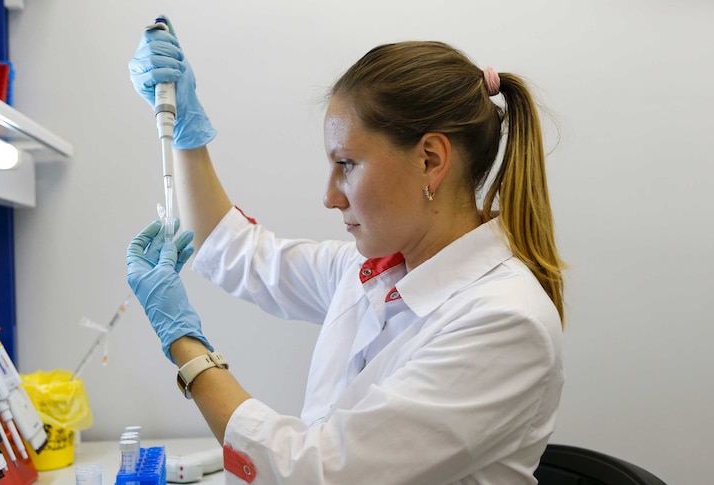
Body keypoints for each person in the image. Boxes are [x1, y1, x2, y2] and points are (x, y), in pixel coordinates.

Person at [127, 16, 564, 485]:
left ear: (430, 161)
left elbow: (315, 473)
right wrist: (189, 135)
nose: (331, 196)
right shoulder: (375, 273)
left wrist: (185, 348)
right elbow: (237, 251)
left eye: (346, 164)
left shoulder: (503, 321)